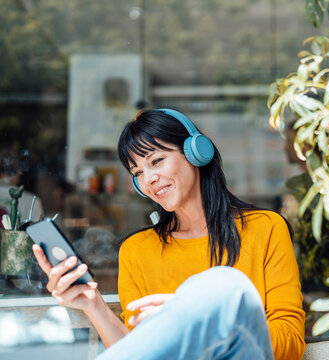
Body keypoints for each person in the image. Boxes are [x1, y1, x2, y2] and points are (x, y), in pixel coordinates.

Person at [32, 108, 305, 360]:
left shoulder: (265, 228)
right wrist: (93, 306)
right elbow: (138, 353)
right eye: (137, 172)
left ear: (196, 152)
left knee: (225, 284)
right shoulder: (137, 250)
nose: (148, 179)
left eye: (157, 160)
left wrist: (199, 319)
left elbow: (291, 343)